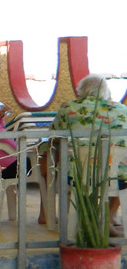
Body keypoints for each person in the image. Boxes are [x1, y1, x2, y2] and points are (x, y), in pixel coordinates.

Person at [51, 73, 127, 237]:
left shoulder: (68, 107)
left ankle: (85, 219)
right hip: (116, 176)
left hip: (78, 175)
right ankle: (108, 218)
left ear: (81, 90)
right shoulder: (121, 109)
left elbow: (54, 135)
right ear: (106, 91)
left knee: (73, 168)